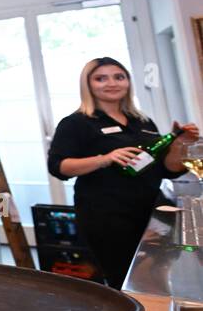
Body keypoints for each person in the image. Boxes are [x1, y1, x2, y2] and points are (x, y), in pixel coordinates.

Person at [47, 57, 198, 288]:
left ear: (128, 82)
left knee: (157, 276)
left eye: (119, 77)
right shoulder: (76, 123)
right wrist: (104, 159)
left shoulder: (142, 121)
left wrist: (179, 144)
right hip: (107, 217)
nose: (112, 83)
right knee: (123, 281)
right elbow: (58, 167)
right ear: (88, 85)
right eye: (101, 78)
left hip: (152, 213)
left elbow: (168, 170)